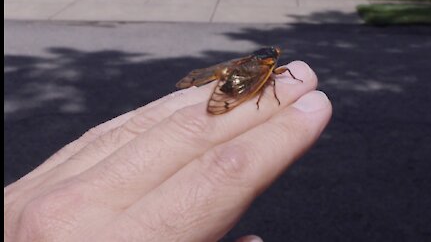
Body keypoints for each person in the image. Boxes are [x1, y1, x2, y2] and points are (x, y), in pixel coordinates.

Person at [4, 61, 332, 241]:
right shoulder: (266, 69)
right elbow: (263, 83)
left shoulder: (262, 66)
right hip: (244, 81)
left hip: (238, 75)